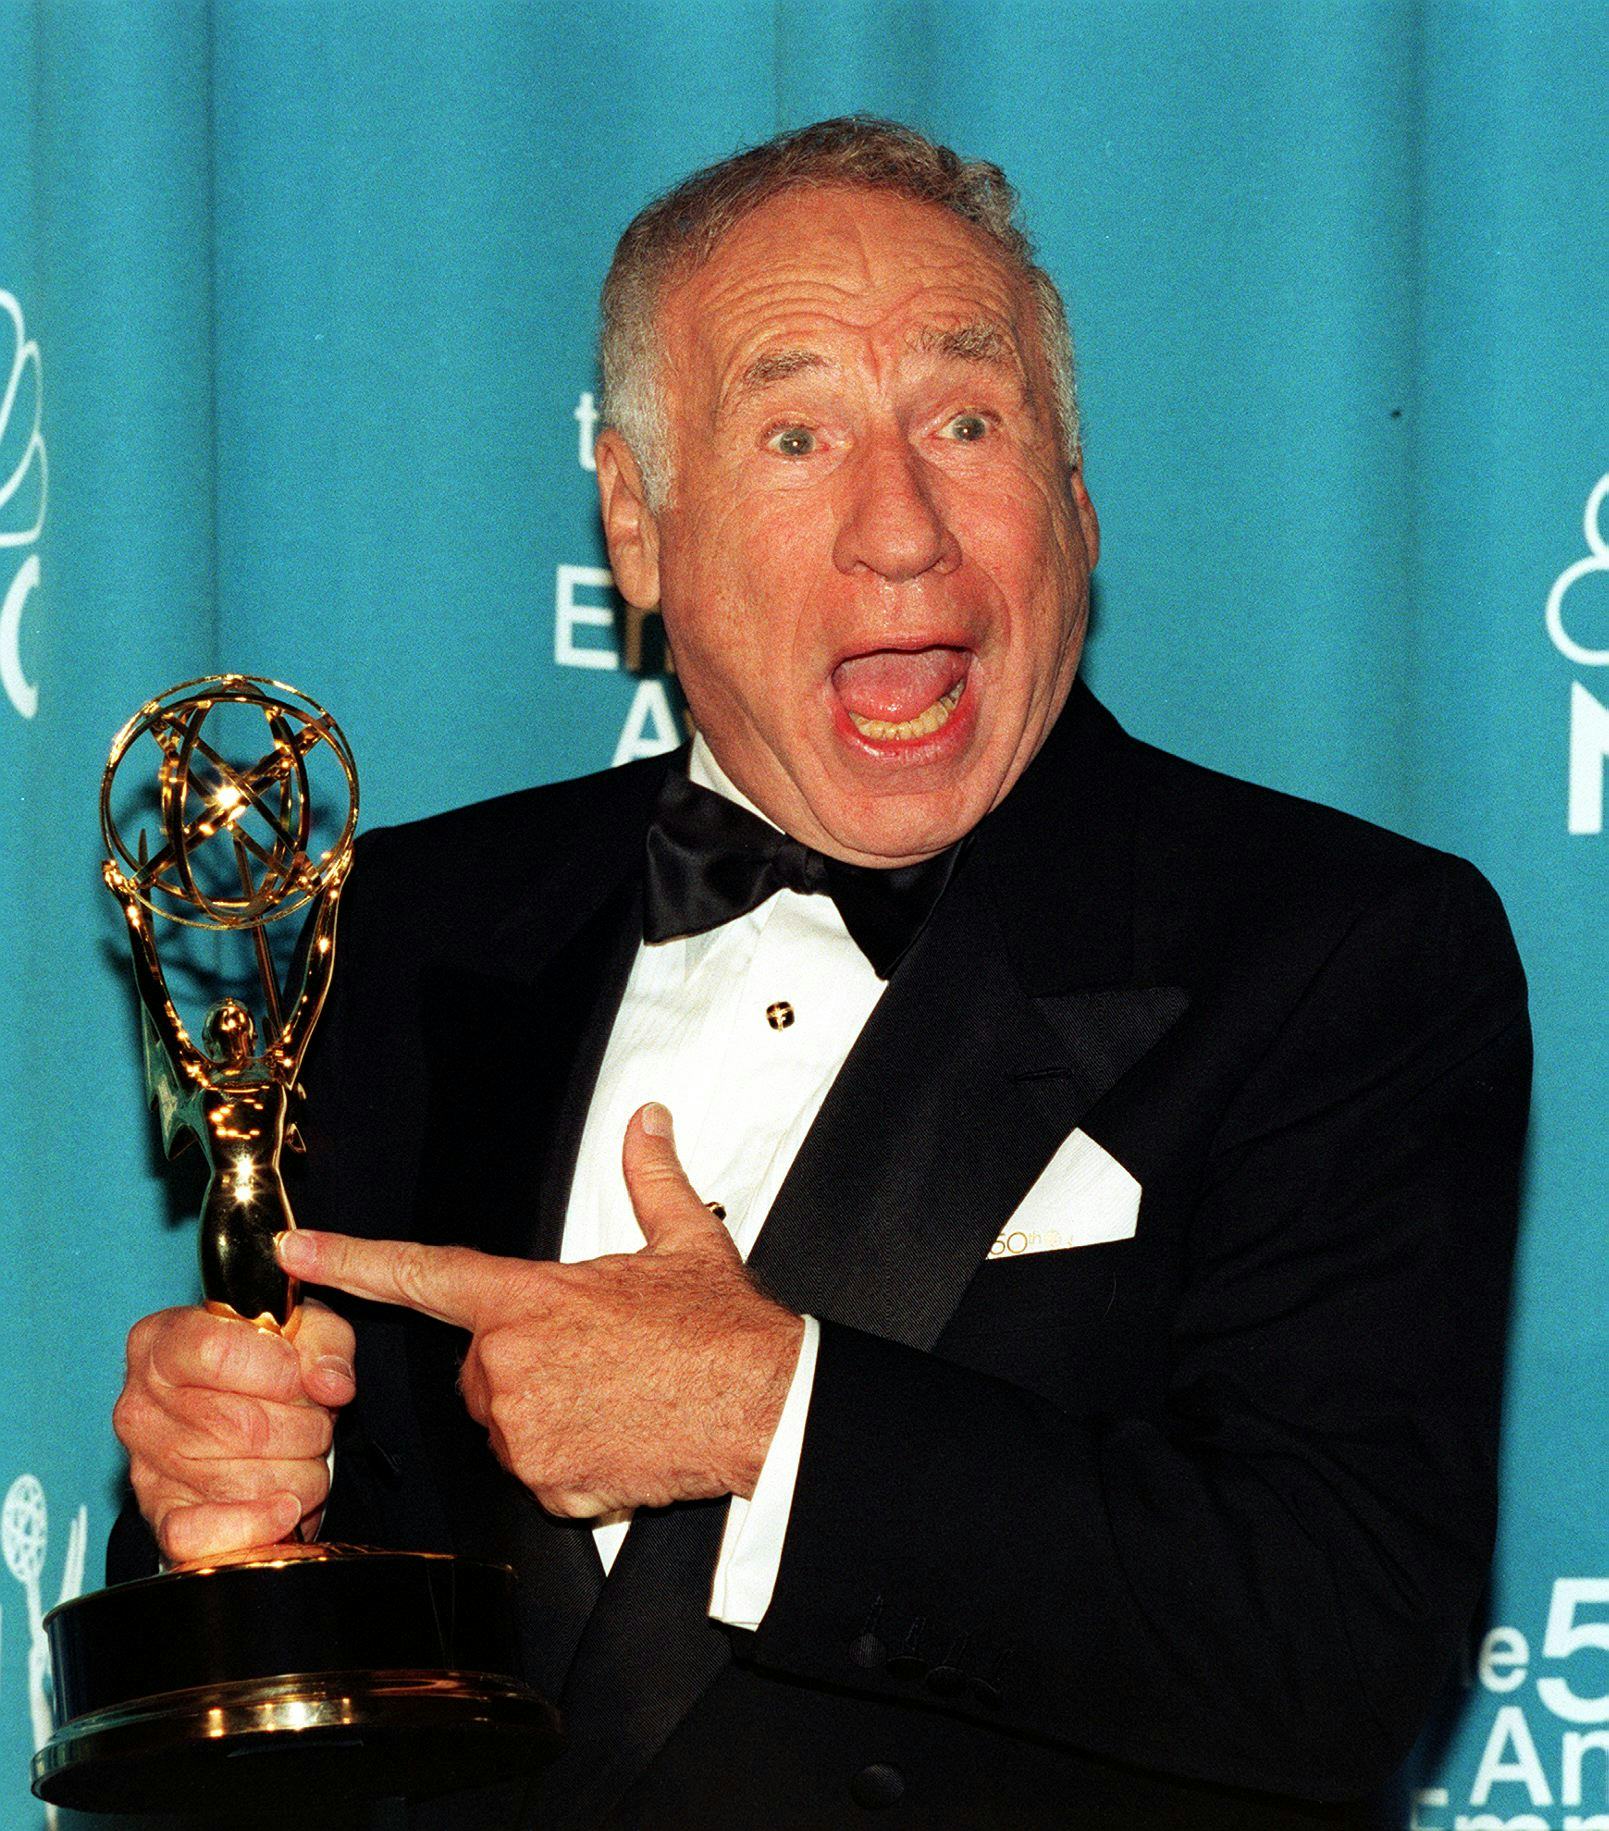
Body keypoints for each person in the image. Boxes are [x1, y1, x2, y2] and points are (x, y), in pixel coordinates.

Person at [109, 118, 1531, 1829]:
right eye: (795, 435)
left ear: (1076, 499)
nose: (901, 530)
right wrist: (219, 1502)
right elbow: (324, 1643)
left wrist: (768, 1413)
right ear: (636, 526)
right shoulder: (406, 925)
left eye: (965, 422)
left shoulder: (1338, 947)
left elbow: (1337, 1647)